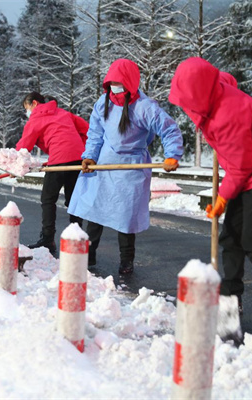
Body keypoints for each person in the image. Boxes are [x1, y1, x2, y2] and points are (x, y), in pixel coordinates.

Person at [168, 57, 252, 332]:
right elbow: (226, 79)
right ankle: (230, 299)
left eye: (189, 100)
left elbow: (241, 167)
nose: (186, 107)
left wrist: (222, 198)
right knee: (230, 236)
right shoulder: (213, 90)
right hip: (247, 169)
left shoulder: (229, 115)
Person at [68, 58, 183, 275]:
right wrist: (90, 157)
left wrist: (172, 155)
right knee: (95, 211)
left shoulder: (144, 107)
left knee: (126, 217)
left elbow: (169, 129)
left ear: (129, 83)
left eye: (119, 83)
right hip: (103, 165)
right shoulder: (103, 103)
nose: (114, 87)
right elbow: (95, 134)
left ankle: (126, 261)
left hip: (130, 167)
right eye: (111, 83)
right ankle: (89, 256)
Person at [16, 92, 89, 256]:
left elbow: (24, 146)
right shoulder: (63, 113)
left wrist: (12, 163)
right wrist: (81, 149)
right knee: (74, 200)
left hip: (59, 160)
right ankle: (75, 238)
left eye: (27, 108)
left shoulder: (36, 118)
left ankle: (48, 240)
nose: (27, 113)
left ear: (34, 103)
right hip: (78, 159)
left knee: (48, 199)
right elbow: (86, 129)